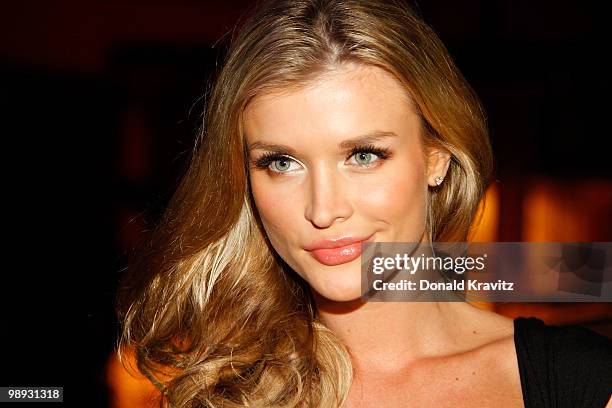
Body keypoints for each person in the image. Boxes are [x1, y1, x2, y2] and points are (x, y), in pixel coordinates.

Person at [115, 0, 612, 407]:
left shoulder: (581, 382)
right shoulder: (221, 392)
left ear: (436, 156)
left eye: (363, 155)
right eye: (282, 163)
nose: (323, 210)